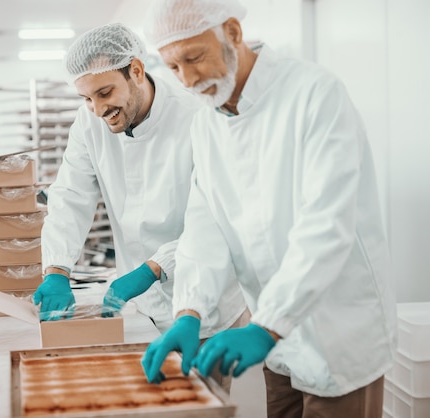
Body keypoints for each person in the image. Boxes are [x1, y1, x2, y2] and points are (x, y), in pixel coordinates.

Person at [140, 1, 398, 417]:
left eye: (194, 57)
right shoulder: (208, 124)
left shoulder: (313, 94)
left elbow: (326, 225)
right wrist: (190, 311)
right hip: (275, 337)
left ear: (232, 33)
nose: (187, 79)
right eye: (172, 67)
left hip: (336, 331)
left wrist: (267, 325)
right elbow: (206, 227)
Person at [33, 22, 247, 344]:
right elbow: (70, 196)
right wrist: (57, 269)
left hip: (203, 302)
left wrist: (153, 268)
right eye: (87, 98)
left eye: (105, 93)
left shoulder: (197, 118)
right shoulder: (89, 121)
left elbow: (216, 220)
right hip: (141, 307)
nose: (98, 109)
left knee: (198, 392)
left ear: (135, 70)